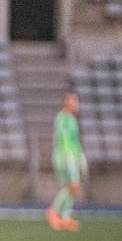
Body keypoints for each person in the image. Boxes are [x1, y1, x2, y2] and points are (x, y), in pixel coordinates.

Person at [46, 92, 86, 232]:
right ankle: (53, 211)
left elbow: (75, 140)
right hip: (64, 156)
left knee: (69, 187)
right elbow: (64, 139)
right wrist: (69, 156)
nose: (76, 104)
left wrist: (80, 155)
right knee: (73, 185)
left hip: (71, 155)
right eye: (73, 101)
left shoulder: (72, 119)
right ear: (66, 102)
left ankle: (65, 216)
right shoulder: (62, 118)